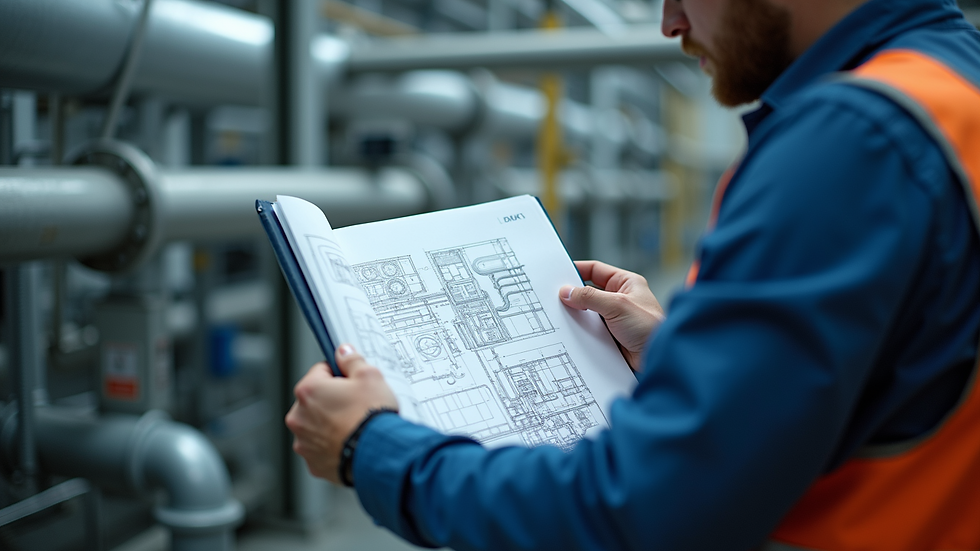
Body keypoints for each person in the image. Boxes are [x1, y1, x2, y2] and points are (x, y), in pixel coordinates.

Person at [286, 0, 980, 548]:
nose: (670, 21)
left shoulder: (851, 143)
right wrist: (689, 354)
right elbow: (909, 370)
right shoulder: (953, 89)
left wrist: (375, 449)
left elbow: (648, 512)